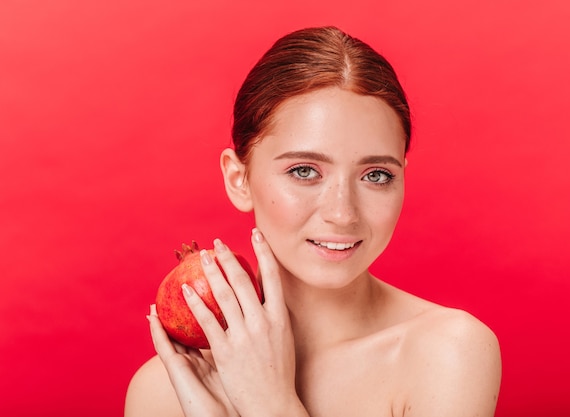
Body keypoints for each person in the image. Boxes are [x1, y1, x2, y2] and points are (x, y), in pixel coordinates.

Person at [124, 26, 501, 417]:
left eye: (375, 175)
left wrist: (269, 404)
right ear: (239, 180)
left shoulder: (448, 351)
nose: (342, 213)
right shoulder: (169, 389)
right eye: (304, 171)